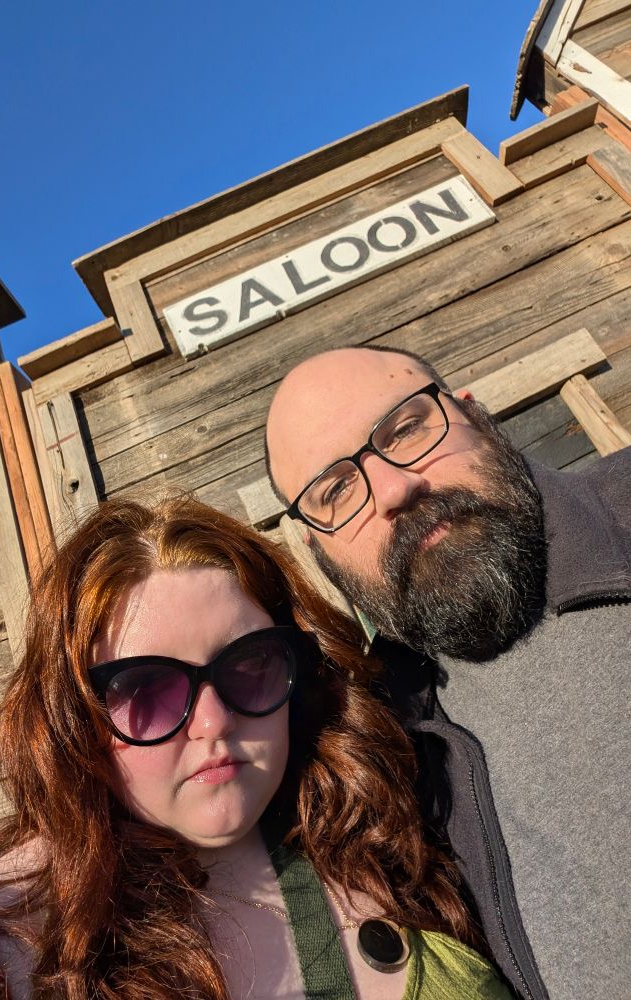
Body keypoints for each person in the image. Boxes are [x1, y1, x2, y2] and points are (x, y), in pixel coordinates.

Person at [0, 496, 512, 999]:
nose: (213, 722)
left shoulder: (392, 813)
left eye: (250, 665)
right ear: (74, 721)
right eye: (146, 689)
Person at [265, 345, 631, 1000]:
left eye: (406, 428)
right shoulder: (378, 745)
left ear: (476, 417)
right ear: (315, 548)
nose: (397, 489)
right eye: (337, 489)